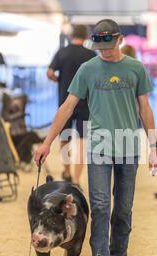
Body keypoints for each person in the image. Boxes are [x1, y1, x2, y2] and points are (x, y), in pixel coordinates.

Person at [35, 19, 157, 256]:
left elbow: (145, 109)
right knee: (101, 207)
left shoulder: (135, 69)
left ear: (120, 40)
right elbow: (67, 107)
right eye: (99, 46)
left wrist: (154, 147)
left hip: (128, 147)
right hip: (99, 147)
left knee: (123, 209)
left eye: (108, 45)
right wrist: (46, 143)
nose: (103, 51)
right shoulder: (87, 69)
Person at [47, 24, 96, 186]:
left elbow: (49, 72)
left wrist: (59, 80)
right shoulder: (91, 54)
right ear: (86, 36)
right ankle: (76, 179)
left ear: (72, 35)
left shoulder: (62, 52)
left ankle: (66, 170)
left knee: (65, 137)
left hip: (65, 101)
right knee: (82, 141)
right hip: (86, 104)